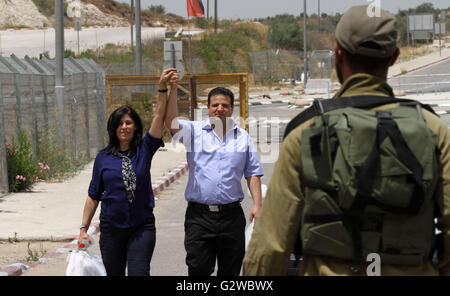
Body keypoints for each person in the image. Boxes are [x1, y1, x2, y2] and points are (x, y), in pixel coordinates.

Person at [243, 5, 450, 276]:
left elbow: (270, 247)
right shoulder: (433, 129)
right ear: (394, 57)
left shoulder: (305, 131)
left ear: (337, 52)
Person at [78, 68, 179, 276]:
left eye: (129, 123)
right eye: (120, 124)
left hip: (141, 227)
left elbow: (159, 116)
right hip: (111, 230)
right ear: (113, 128)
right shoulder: (103, 158)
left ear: (135, 127)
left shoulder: (145, 149)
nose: (124, 127)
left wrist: (164, 88)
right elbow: (93, 195)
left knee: (139, 272)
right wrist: (82, 229)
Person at [165, 85, 264, 276]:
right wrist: (173, 90)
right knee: (198, 269)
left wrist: (257, 205)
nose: (220, 109)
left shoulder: (243, 137)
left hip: (231, 217)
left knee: (231, 272)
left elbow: (252, 172)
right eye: (215, 105)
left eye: (225, 105)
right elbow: (171, 122)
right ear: (208, 108)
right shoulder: (194, 131)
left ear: (232, 109)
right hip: (199, 217)